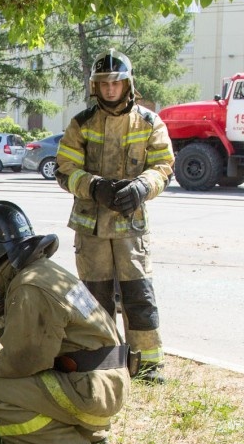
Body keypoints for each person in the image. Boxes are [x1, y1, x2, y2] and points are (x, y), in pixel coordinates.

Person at [0, 201, 131, 444]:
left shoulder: (30, 287)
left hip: (92, 390)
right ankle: (86, 432)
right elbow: (20, 339)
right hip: (104, 383)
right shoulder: (43, 272)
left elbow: (23, 359)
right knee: (9, 382)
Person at [54, 49, 174, 384]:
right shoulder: (81, 123)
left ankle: (148, 365)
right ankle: (105, 362)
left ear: (128, 84)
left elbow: (163, 166)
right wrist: (94, 187)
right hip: (91, 226)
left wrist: (141, 187)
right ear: (95, 86)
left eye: (116, 82)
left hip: (130, 225)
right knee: (94, 298)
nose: (110, 89)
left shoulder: (149, 122)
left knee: (139, 295)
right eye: (104, 83)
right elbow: (64, 169)